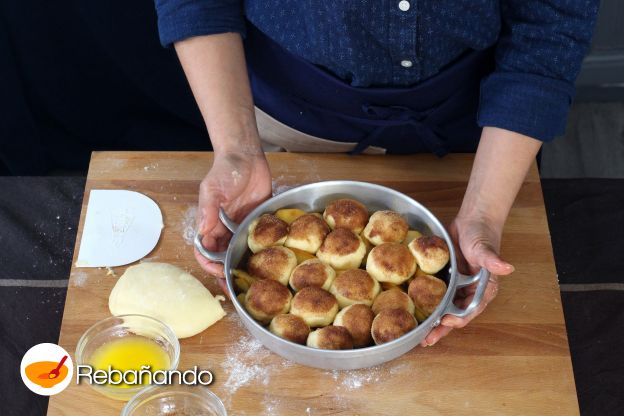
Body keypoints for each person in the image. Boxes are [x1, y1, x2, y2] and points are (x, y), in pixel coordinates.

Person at [153, 1, 599, 346]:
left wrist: (484, 210)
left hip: (482, 133)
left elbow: (551, 28)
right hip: (289, 116)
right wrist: (237, 151)